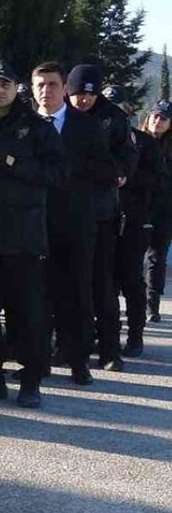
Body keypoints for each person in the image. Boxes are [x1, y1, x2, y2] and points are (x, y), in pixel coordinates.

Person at [0, 62, 68, 409]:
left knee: (28, 314)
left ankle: (30, 381)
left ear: (16, 87)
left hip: (23, 238)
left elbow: (60, 173)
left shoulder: (35, 127)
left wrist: (14, 164)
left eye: (5, 83)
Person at [32, 62, 116, 386]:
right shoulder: (24, 125)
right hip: (32, 223)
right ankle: (36, 361)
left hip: (75, 223)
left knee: (77, 294)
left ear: (64, 87)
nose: (46, 91)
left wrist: (67, 169)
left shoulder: (87, 126)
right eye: (40, 84)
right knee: (34, 297)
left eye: (52, 84)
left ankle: (78, 361)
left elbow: (106, 170)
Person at [66, 64, 137, 372]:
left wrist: (119, 172)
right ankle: (68, 346)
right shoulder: (57, 116)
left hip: (100, 213)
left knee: (101, 283)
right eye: (79, 94)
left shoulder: (113, 117)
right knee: (64, 284)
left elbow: (128, 157)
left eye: (89, 95)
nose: (83, 100)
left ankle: (110, 349)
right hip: (61, 212)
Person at [115, 102, 166, 359]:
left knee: (132, 280)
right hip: (102, 219)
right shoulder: (93, 135)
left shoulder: (144, 142)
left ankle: (135, 336)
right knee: (101, 283)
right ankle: (104, 337)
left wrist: (126, 178)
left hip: (135, 219)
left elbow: (158, 178)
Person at [142, 101, 172, 334]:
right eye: (155, 116)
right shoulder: (135, 141)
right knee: (131, 258)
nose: (158, 121)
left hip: (164, 209)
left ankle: (152, 304)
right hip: (137, 207)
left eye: (163, 118)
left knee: (156, 257)